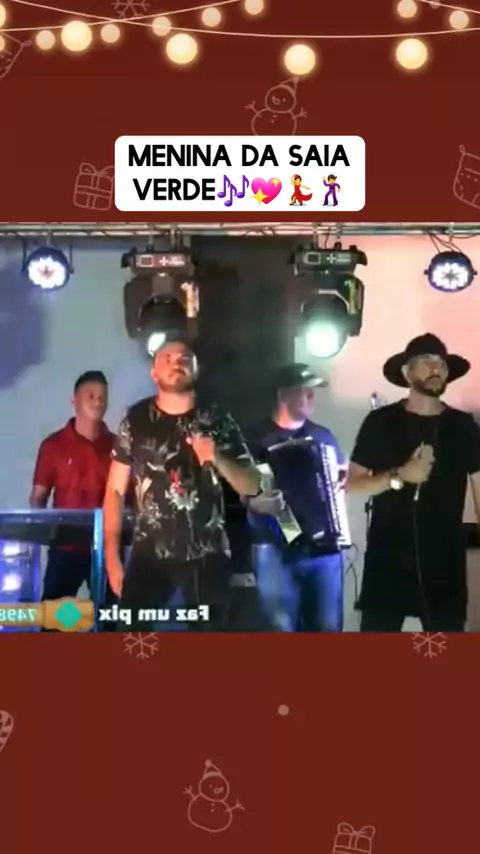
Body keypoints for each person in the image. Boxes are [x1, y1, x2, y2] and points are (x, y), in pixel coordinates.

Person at [103, 337, 261, 632]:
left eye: (184, 358)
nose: (176, 363)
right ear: (153, 372)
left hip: (206, 555)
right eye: (167, 358)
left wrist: (216, 457)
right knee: (132, 641)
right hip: (148, 553)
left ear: (197, 369)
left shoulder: (217, 419)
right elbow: (114, 490)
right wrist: (112, 557)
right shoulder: (135, 419)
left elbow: (252, 485)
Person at [347, 333, 480, 632]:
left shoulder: (463, 426)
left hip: (444, 565)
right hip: (387, 561)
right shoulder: (381, 422)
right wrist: (398, 476)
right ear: (407, 372)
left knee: (443, 655)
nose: (436, 369)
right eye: (427, 361)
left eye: (442, 364)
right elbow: (352, 484)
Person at [245, 364, 348, 632]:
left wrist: (342, 483)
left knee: (327, 629)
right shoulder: (255, 439)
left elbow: (342, 483)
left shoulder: (323, 437)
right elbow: (241, 494)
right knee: (280, 629)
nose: (311, 397)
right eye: (304, 391)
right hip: (275, 548)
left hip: (325, 550)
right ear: (283, 395)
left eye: (312, 391)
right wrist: (257, 504)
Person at [30, 371, 117, 612]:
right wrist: (44, 532)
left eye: (102, 397)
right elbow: (38, 499)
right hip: (65, 548)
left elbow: (128, 498)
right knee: (54, 618)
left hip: (107, 548)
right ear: (74, 400)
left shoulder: (119, 446)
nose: (97, 402)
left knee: (111, 619)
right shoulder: (53, 446)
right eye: (90, 396)